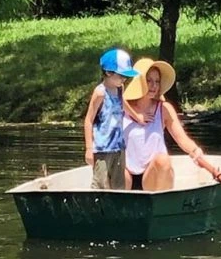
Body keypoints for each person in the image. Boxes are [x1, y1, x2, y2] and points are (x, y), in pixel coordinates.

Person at [121, 58, 205, 191]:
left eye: (157, 81)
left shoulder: (164, 109)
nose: (153, 86)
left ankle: (159, 201)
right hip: (127, 174)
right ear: (139, 82)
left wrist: (195, 151)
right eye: (149, 80)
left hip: (154, 176)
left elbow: (181, 138)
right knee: (115, 165)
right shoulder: (121, 109)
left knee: (163, 160)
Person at [83, 48, 144, 189]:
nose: (124, 79)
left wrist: (137, 117)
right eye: (121, 75)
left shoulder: (119, 88)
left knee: (119, 184)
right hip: (102, 148)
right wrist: (89, 148)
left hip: (118, 146)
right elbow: (88, 120)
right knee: (101, 183)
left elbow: (123, 103)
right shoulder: (100, 93)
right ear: (108, 72)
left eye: (126, 76)